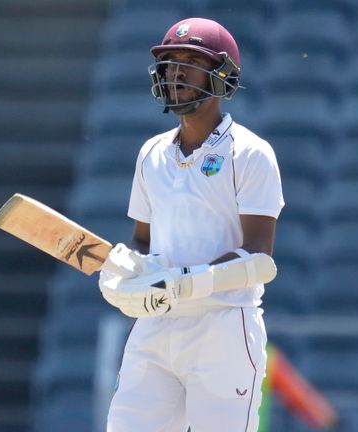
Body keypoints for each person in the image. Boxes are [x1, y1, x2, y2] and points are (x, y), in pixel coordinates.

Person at [97, 17, 284, 432]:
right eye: (170, 62)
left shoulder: (251, 154)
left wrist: (184, 284)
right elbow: (142, 241)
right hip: (155, 327)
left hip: (223, 327)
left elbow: (259, 259)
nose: (177, 71)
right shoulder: (151, 154)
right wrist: (120, 275)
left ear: (222, 76)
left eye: (190, 60)